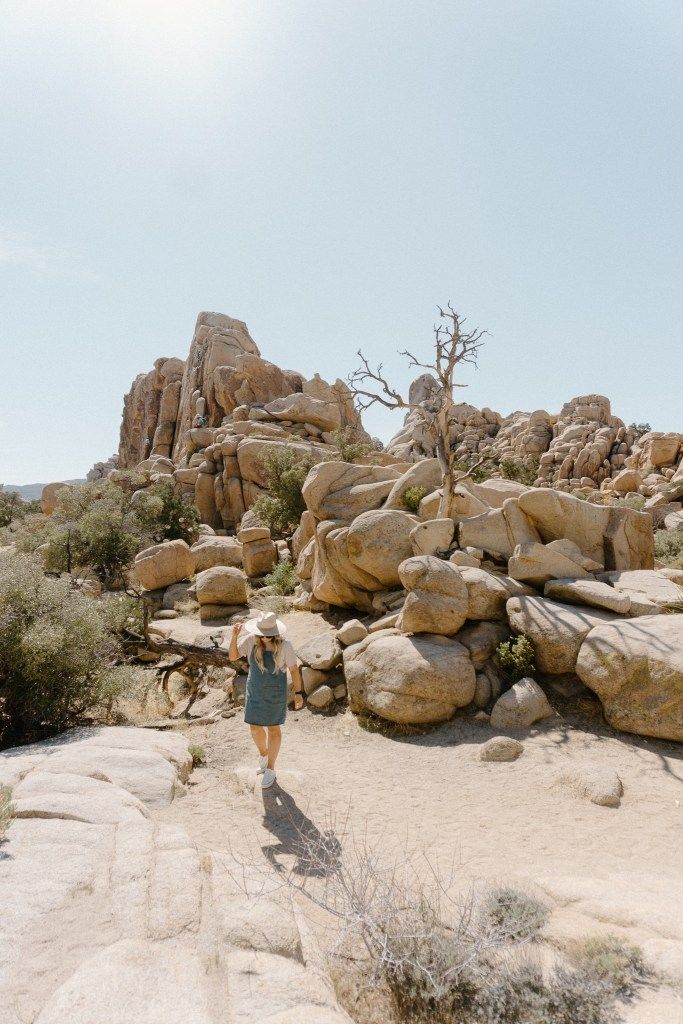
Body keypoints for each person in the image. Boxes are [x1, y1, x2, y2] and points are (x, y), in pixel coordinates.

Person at [228, 611, 304, 789]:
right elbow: (232, 656)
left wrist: (299, 693)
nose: (266, 637)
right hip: (254, 691)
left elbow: (293, 670)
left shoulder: (286, 646)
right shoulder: (250, 641)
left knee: (273, 729)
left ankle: (271, 767)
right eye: (263, 633)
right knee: (254, 727)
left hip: (275, 693)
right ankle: (264, 755)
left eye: (269, 633)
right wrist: (234, 636)